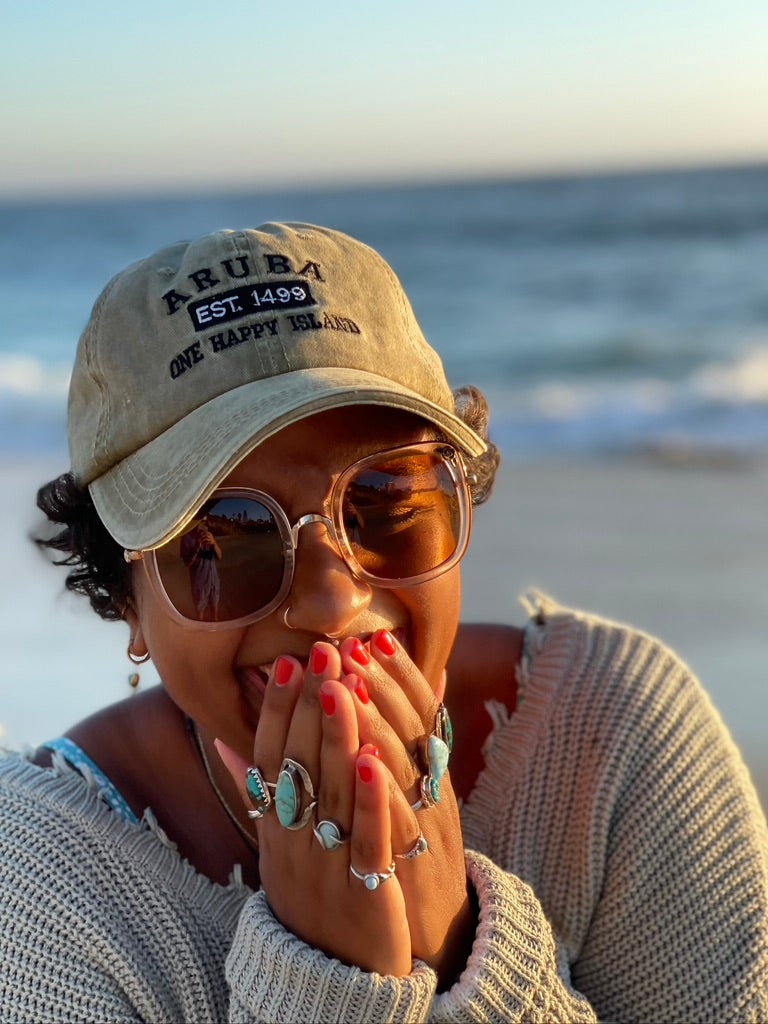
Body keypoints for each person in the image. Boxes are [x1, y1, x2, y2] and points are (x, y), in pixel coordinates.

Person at [1, 223, 766, 1023]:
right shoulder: (36, 878)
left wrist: (455, 947)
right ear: (124, 594)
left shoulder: (612, 734)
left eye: (386, 504)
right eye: (225, 541)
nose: (332, 603)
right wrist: (328, 991)